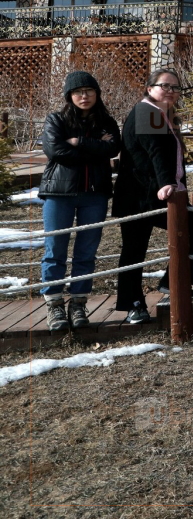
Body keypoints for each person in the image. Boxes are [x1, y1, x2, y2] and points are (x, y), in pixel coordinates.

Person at [112, 69, 193, 323]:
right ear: (150, 88)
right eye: (165, 86)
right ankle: (133, 304)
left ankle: (173, 281)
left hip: (155, 193)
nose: (171, 91)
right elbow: (155, 150)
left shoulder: (166, 114)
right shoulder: (148, 112)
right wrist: (167, 183)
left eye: (176, 87)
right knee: (134, 251)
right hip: (139, 195)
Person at [38, 71, 121, 331]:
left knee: (86, 251)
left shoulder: (107, 122)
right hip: (58, 193)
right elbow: (56, 151)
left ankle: (78, 303)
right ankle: (54, 304)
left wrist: (79, 142)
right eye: (77, 92)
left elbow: (113, 148)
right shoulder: (56, 119)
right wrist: (95, 148)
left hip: (95, 194)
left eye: (89, 91)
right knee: (55, 249)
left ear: (97, 93)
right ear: (69, 95)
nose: (84, 96)